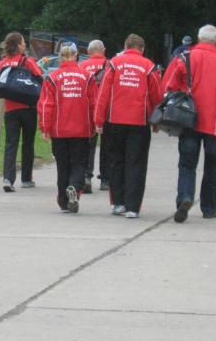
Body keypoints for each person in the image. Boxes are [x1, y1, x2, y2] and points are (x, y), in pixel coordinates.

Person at [162, 24, 216, 223]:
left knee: (187, 163)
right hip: (214, 123)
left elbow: (167, 86)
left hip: (188, 119)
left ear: (199, 38)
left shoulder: (183, 58)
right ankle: (209, 208)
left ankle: (185, 197)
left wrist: (164, 113)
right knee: (212, 165)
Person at [94, 34, 162, 218]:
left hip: (114, 120)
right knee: (137, 163)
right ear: (143, 49)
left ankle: (118, 203)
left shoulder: (114, 63)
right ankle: (132, 207)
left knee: (115, 161)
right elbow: (157, 95)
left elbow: (103, 94)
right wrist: (157, 121)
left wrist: (98, 120)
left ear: (125, 47)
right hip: (139, 122)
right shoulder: (149, 66)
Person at [38, 43, 97, 214]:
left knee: (62, 165)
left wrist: (45, 127)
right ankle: (74, 188)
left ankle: (64, 202)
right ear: (76, 55)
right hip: (81, 129)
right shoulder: (87, 77)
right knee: (80, 163)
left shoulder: (52, 78)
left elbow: (46, 105)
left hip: (59, 130)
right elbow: (94, 103)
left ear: (60, 56)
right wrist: (96, 124)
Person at [0, 31, 43, 192]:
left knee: (11, 143)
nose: (25, 45)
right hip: (28, 108)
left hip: (10, 109)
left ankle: (8, 179)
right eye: (23, 42)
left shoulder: (3, 63)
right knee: (28, 143)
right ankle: (26, 179)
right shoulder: (27, 61)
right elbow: (40, 77)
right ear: (18, 45)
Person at [79, 39, 110, 193]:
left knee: (88, 145)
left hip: (88, 110)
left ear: (88, 52)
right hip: (106, 110)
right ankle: (105, 180)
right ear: (104, 50)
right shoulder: (110, 65)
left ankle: (86, 177)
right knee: (107, 145)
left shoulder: (82, 66)